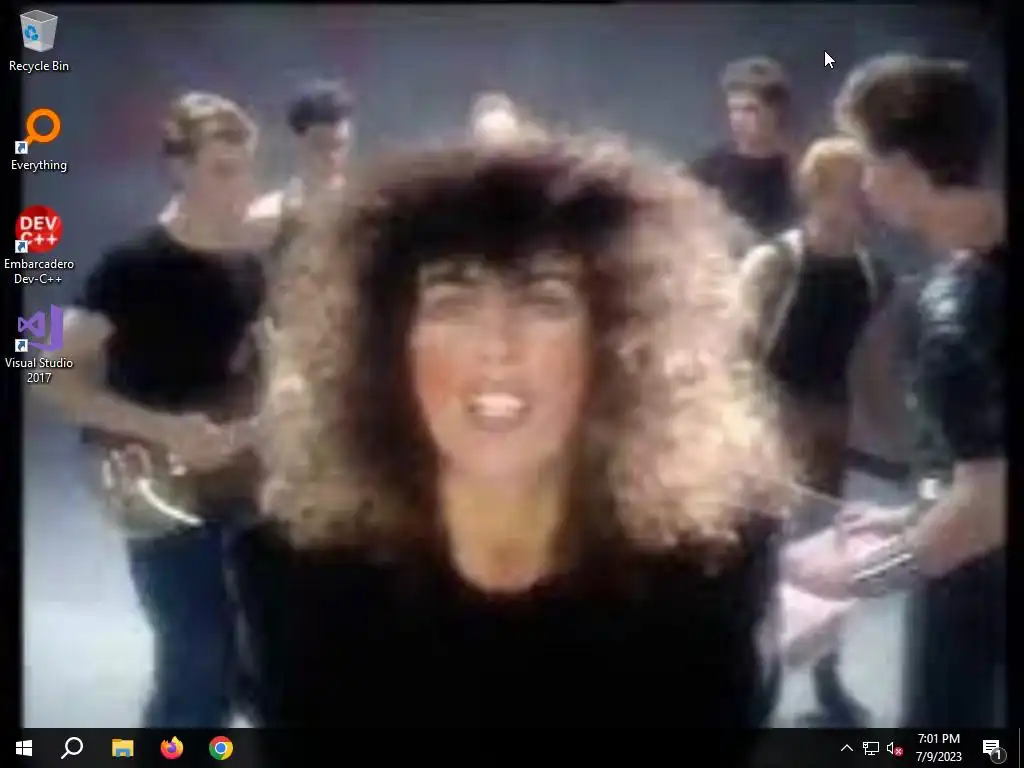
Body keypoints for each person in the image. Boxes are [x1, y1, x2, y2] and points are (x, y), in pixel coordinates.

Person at [134, 129, 793, 740]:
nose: (496, 345)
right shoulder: (293, 581)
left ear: (620, 343)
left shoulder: (712, 577)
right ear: (388, 349)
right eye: (452, 303)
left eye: (544, 301)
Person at [785, 54, 1005, 727]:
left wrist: (854, 577)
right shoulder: (973, 274)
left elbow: (985, 509)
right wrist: (914, 513)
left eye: (867, 160)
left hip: (983, 595)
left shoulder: (964, 309)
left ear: (905, 170)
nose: (862, 181)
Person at [37, 92, 269, 727]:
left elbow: (253, 368)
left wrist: (260, 422)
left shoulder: (247, 266)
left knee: (259, 660)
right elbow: (43, 372)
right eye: (222, 170)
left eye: (246, 168)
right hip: (159, 491)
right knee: (198, 662)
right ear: (180, 168)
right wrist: (162, 428)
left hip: (243, 488)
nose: (241, 187)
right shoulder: (130, 267)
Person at [739, 136, 895, 727]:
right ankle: (750, 683)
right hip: (768, 427)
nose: (867, 203)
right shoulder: (774, 264)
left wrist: (896, 436)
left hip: (830, 427)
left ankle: (828, 679)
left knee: (828, 557)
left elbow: (868, 365)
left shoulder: (872, 274)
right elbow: (731, 354)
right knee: (755, 559)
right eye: (856, 191)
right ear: (821, 194)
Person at [248, 78, 355, 275]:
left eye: (339, 145)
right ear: (298, 143)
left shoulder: (366, 212)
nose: (331, 156)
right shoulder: (265, 216)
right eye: (320, 145)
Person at [692, 57, 799, 242]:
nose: (738, 119)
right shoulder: (708, 170)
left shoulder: (797, 173)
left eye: (750, 110)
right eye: (734, 110)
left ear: (775, 112)